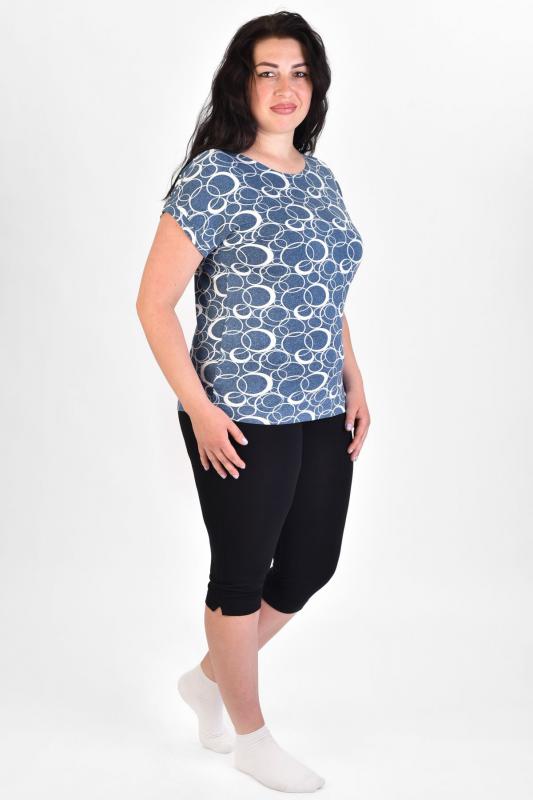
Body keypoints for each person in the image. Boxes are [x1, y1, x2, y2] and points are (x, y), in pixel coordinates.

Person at [136, 11, 370, 794]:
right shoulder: (213, 177)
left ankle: (206, 680)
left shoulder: (321, 178)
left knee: (309, 565)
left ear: (315, 87)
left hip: (319, 405)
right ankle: (251, 738)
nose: (283, 86)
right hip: (237, 410)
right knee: (240, 575)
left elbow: (326, 289)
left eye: (298, 72)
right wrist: (200, 410)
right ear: (241, 83)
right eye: (267, 71)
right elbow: (153, 304)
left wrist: (354, 378)